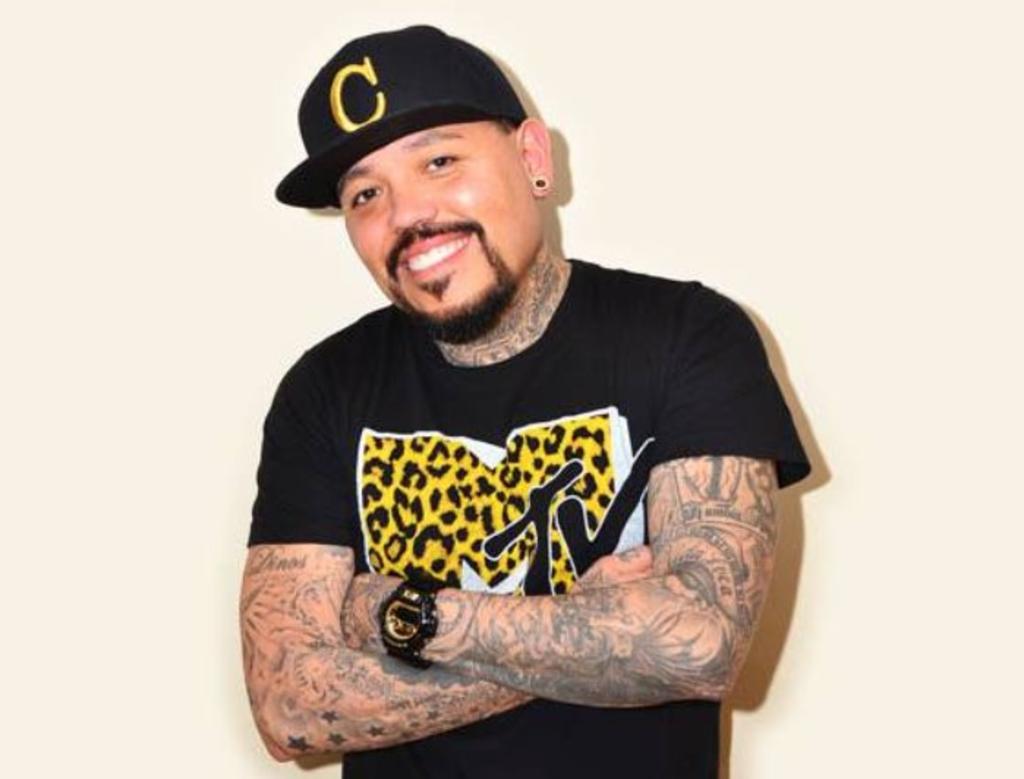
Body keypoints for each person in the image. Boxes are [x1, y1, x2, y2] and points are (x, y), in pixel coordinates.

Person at [240, 23, 811, 779]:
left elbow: (701, 645)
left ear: (534, 160)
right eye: (365, 195)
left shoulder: (687, 335)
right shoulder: (324, 388)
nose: (406, 215)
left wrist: (401, 616)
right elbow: (289, 709)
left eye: (439, 161)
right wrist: (591, 633)